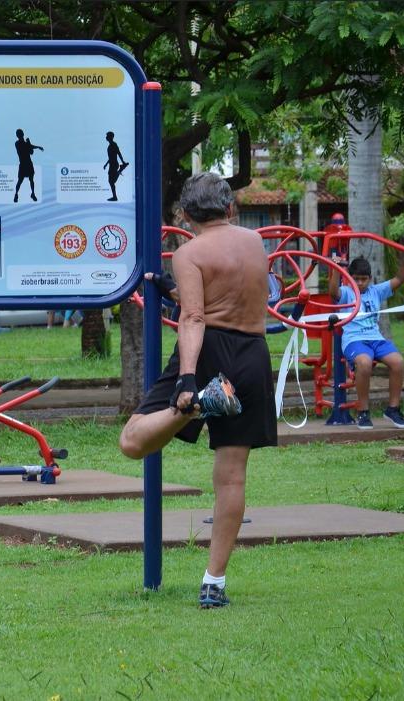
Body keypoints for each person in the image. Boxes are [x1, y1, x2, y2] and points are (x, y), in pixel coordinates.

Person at [118, 172, 276, 609]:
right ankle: (214, 583)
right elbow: (226, 297)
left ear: (186, 215)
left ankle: (196, 406)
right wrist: (175, 293)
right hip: (253, 354)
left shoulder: (188, 251)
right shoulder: (254, 242)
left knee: (132, 441)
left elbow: (196, 320)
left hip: (209, 352)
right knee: (232, 477)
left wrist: (188, 379)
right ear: (230, 209)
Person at [328, 251, 404, 429]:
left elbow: (399, 279)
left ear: (369, 278)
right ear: (349, 278)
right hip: (354, 340)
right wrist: (336, 269)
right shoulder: (346, 292)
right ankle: (363, 412)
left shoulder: (376, 291)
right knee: (365, 362)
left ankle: (393, 409)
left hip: (376, 338)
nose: (360, 283)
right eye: (356, 279)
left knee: (398, 362)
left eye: (364, 279)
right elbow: (332, 291)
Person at [13, 128, 44, 203]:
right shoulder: (17, 143)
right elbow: (29, 149)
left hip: (28, 164)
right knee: (20, 181)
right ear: (18, 136)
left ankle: (32, 194)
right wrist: (30, 143)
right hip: (23, 164)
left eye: (20, 134)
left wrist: (37, 146)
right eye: (19, 134)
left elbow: (31, 151)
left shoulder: (26, 143)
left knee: (31, 180)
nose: (20, 135)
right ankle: (16, 194)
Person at [104, 131, 128, 201]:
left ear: (110, 137)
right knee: (111, 181)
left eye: (107, 136)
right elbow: (110, 157)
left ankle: (115, 197)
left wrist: (123, 161)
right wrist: (106, 164)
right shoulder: (110, 145)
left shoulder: (114, 145)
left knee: (111, 181)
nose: (106, 137)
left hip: (114, 164)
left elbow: (118, 153)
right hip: (112, 164)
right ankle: (120, 169)